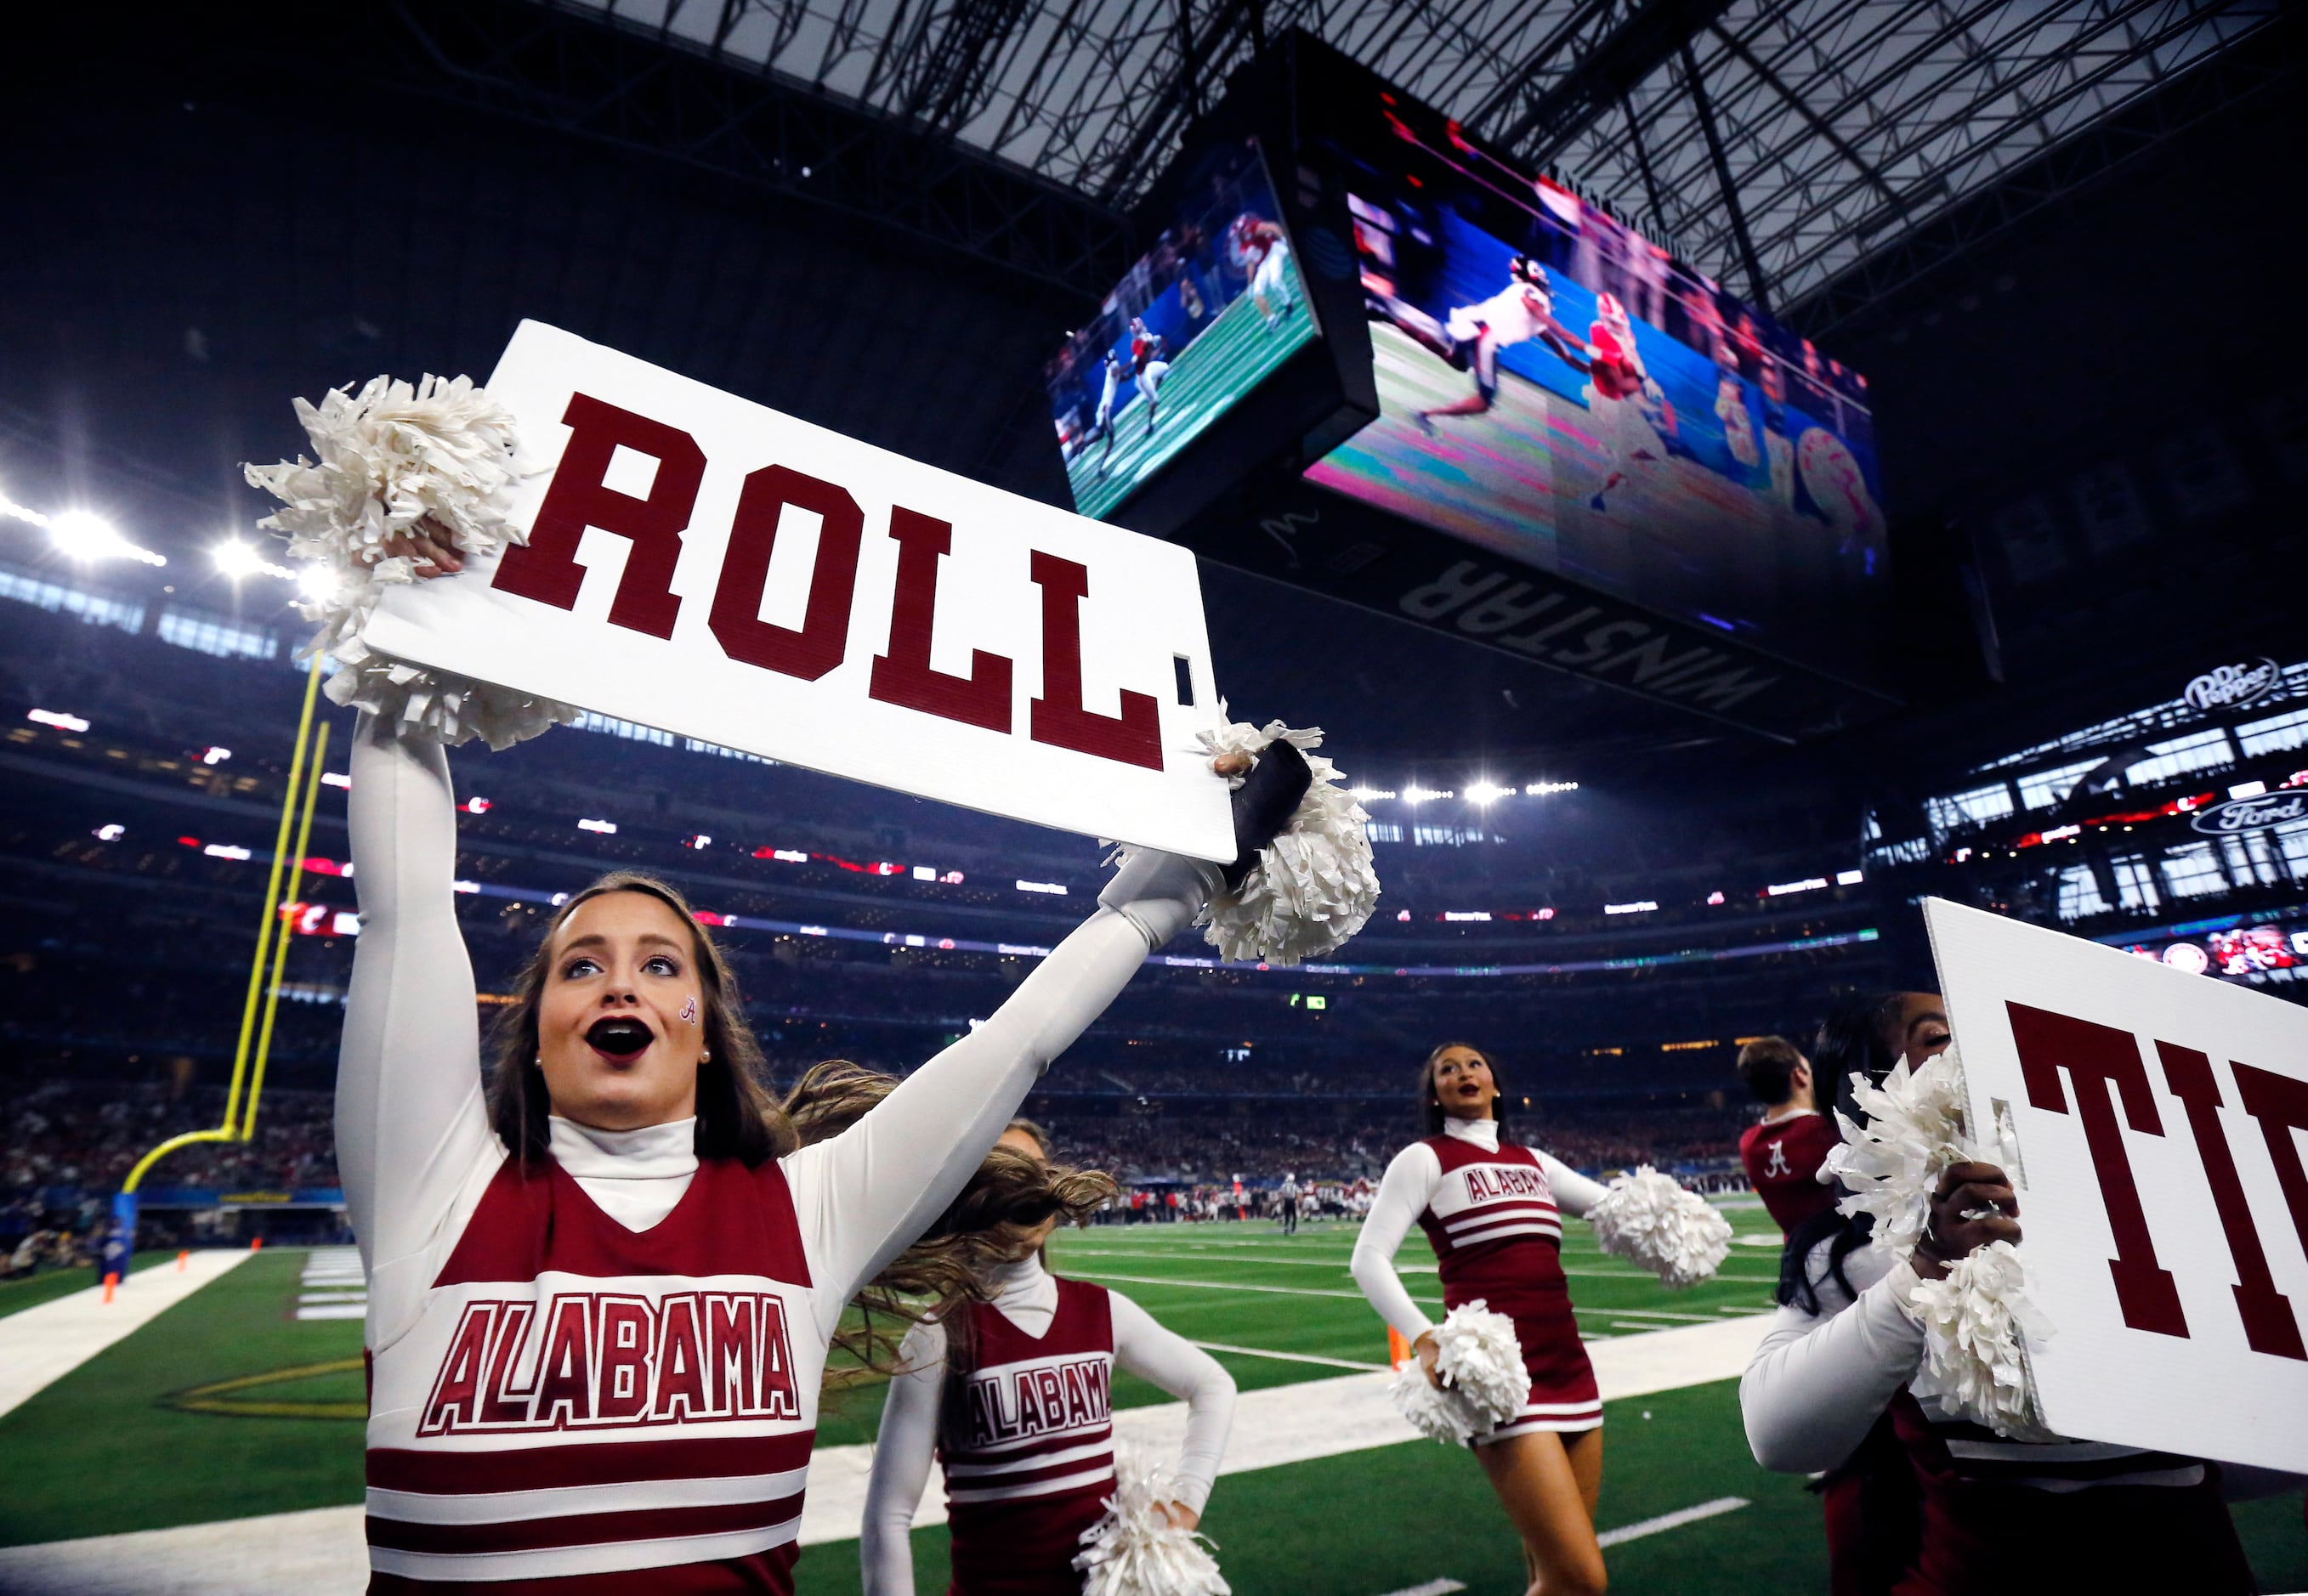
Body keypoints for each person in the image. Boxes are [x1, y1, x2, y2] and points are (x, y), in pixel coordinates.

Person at [336, 546, 1312, 1586]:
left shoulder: (803, 1214)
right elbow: (403, 911)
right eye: (582, 965)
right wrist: (410, 631)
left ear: (702, 1028)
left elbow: (1015, 1042)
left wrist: (1175, 886)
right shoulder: (434, 1190)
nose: (619, 984)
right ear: (535, 1027)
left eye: (659, 963)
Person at [1741, 993, 2259, 1594]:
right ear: (1873, 1092)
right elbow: (1777, 1437)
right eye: (1937, 1037)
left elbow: (2246, 1439)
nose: (1976, 1046)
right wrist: (1922, 1273)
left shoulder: (2157, 1205)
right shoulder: (1857, 1255)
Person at [861, 1118, 1236, 1594]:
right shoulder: (939, 1334)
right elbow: (889, 1517)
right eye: (1000, 1174)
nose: (1023, 1190)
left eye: (1035, 1174)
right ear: (965, 1196)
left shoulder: (1102, 1311)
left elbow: (1212, 1386)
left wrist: (1187, 1502)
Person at [1351, 1043, 1610, 1596]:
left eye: (1474, 1065)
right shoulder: (1425, 1159)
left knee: (1550, 1572)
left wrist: (1676, 1217)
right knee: (1581, 1580)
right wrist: (1422, 1338)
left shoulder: (1534, 1163)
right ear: (1434, 1092)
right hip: (1502, 1380)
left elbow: (1615, 1210)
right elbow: (1367, 1258)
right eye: (1447, 1069)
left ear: (1495, 1084)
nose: (1463, 1073)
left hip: (1570, 1367)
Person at [1735, 1035, 1838, 1233]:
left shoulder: (1748, 1144)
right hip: (1846, 1253)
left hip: (1795, 1257)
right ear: (1799, 1075)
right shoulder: (1827, 1130)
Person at [1277, 1171, 1301, 1236]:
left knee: (1287, 1215)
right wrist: (1299, 1201)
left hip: (1286, 1200)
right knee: (1294, 1216)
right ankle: (1293, 1228)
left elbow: (1281, 1194)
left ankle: (1286, 1228)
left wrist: (1281, 1202)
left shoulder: (1284, 1185)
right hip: (1292, 1201)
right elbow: (1298, 1193)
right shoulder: (1294, 1185)